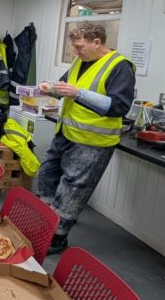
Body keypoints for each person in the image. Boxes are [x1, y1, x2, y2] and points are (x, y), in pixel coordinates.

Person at [34, 23, 135, 254]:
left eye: (79, 47)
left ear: (96, 42)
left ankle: (57, 237)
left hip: (92, 142)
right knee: (46, 175)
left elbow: (119, 107)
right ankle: (46, 223)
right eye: (74, 47)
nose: (76, 51)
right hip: (66, 134)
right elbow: (65, 88)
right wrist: (50, 88)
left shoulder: (120, 66)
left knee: (73, 189)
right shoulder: (80, 61)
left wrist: (78, 93)